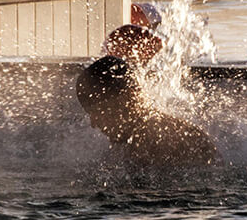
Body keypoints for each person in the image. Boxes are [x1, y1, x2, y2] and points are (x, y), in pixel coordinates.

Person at [75, 54, 218, 165]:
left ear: (129, 98)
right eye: (90, 113)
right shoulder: (134, 142)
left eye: (100, 111)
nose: (94, 123)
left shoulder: (166, 142)